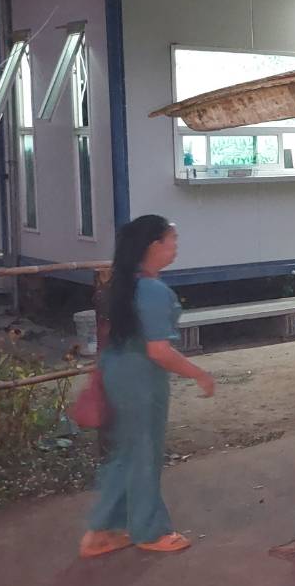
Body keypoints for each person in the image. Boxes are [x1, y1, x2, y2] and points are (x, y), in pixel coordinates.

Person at [80, 215, 216, 559]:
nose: (175, 246)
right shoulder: (153, 291)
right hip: (140, 378)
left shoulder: (127, 284)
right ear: (154, 245)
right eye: (172, 239)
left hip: (121, 372)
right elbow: (159, 350)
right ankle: (149, 529)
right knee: (142, 453)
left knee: (127, 453)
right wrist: (198, 373)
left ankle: (103, 530)